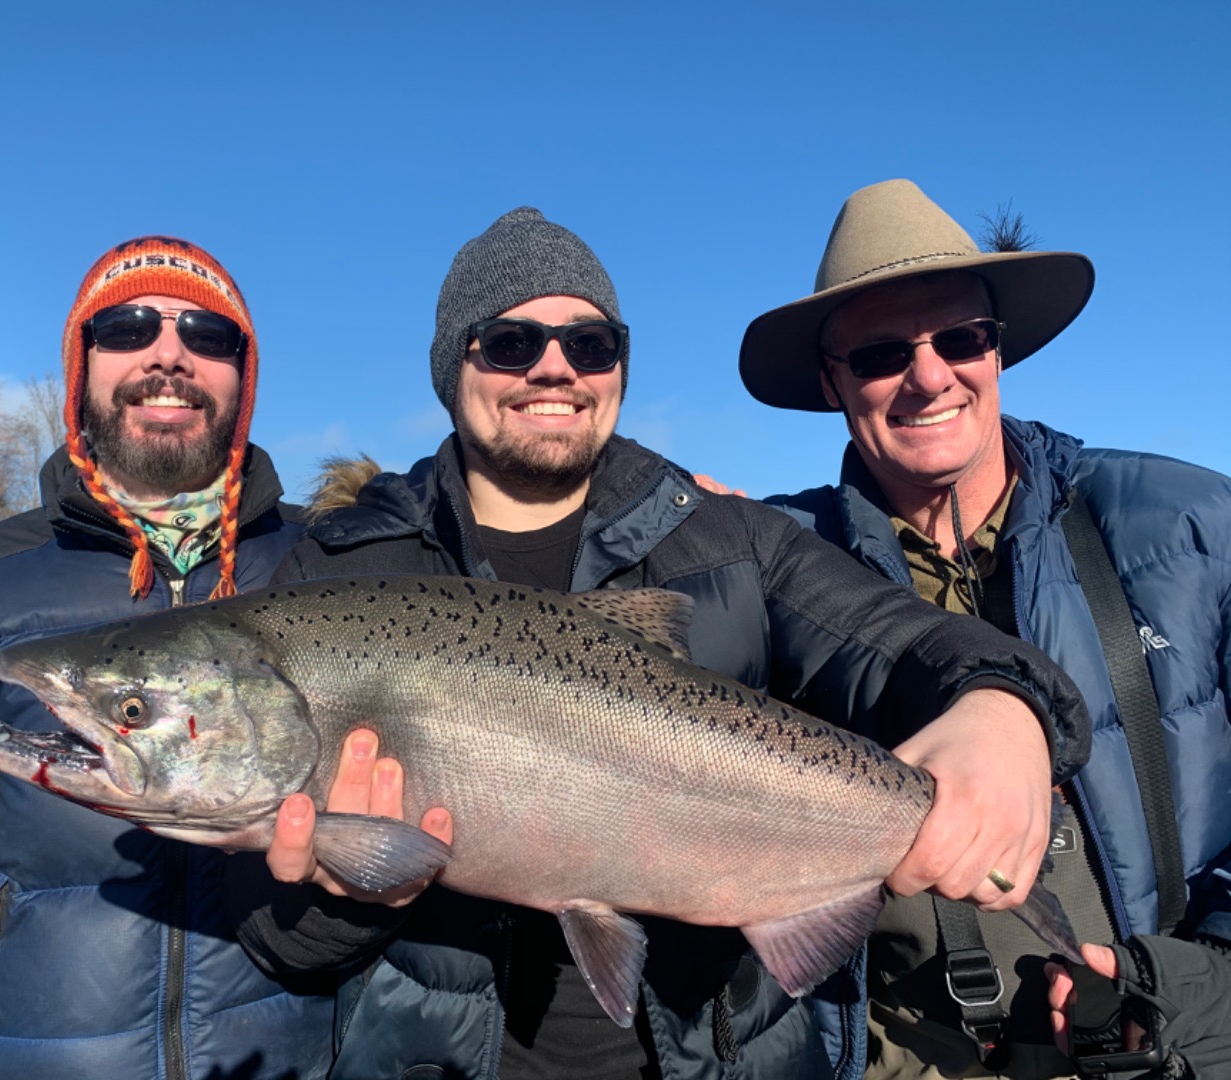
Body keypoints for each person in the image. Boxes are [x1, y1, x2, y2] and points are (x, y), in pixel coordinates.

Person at [226, 207, 1092, 1079]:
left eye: (591, 345)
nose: (555, 368)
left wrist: (1000, 704)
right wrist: (349, 897)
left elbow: (899, 639)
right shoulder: (338, 570)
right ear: (454, 366)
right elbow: (275, 944)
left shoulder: (740, 543)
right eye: (511, 343)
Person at [0, 237, 330, 1079]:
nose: (169, 354)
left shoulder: (329, 568)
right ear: (81, 368)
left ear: (243, 377)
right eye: (127, 327)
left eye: (208, 335)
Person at [741, 179, 1231, 1078]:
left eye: (960, 338)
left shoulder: (1190, 525)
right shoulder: (761, 569)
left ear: (998, 350)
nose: (930, 377)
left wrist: (1187, 984)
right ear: (831, 382)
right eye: (884, 354)